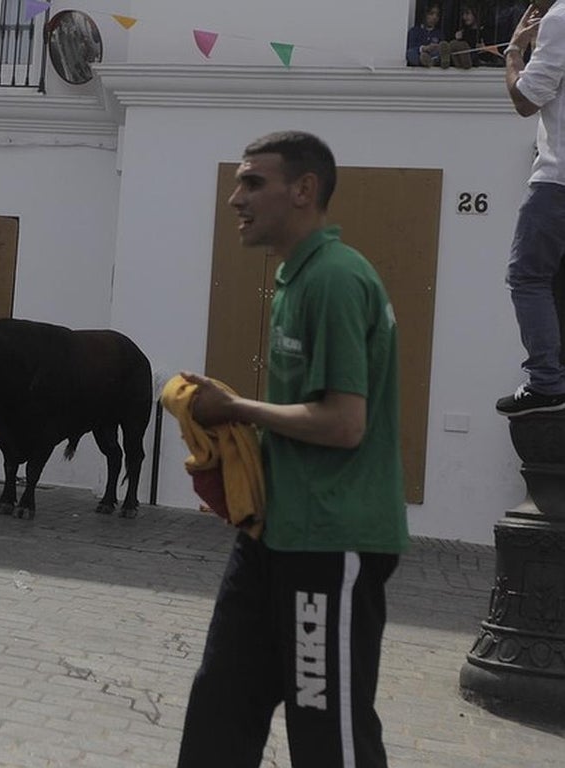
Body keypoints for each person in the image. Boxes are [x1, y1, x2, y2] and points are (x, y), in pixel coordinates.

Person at [175, 132, 408, 768]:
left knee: (326, 730)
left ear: (303, 190)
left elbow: (344, 423)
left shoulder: (335, 279)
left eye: (253, 183)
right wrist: (243, 466)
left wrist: (236, 409)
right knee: (222, 704)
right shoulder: (294, 278)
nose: (235, 199)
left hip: (330, 544)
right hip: (275, 534)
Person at [498, 0, 565, 415]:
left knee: (526, 277)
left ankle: (545, 381)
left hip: (558, 180)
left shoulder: (561, 18)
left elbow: (525, 100)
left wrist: (514, 52)